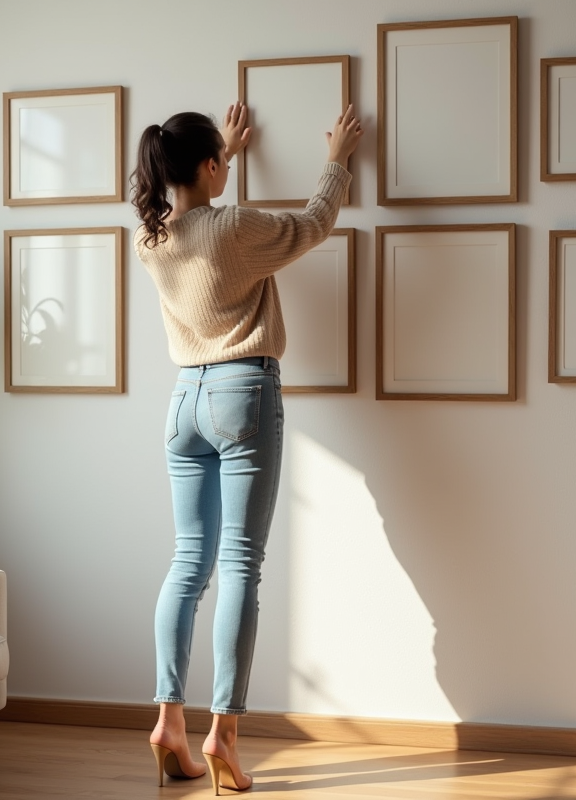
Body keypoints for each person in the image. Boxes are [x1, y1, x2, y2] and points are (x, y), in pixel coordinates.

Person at [132, 101, 364, 795]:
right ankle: (223, 735)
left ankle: (168, 720)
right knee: (240, 566)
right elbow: (312, 223)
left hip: (183, 404)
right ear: (208, 167)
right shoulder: (234, 226)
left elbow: (203, 223)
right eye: (222, 162)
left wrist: (221, 154)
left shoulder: (152, 237)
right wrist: (337, 161)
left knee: (187, 564)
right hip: (243, 393)